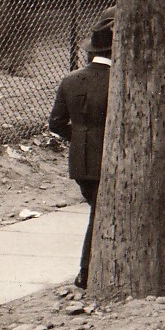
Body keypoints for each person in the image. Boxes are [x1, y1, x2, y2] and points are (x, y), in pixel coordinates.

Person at [50, 21, 112, 290]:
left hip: (79, 158)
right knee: (99, 211)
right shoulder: (118, 81)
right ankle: (86, 269)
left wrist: (78, 138)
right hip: (106, 156)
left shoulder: (70, 79)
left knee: (97, 208)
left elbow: (55, 123)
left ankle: (89, 268)